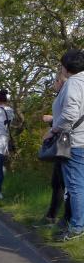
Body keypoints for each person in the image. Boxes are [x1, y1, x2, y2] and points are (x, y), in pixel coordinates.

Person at [44, 48, 84, 242]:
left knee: (75, 186)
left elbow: (70, 114)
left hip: (75, 142)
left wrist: (53, 130)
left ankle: (77, 227)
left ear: (67, 67)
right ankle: (75, 222)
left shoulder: (73, 83)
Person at [39, 70, 71, 229]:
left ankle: (66, 220)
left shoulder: (67, 93)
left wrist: (52, 124)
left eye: (54, 81)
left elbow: (69, 117)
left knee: (66, 183)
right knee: (58, 182)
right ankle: (53, 216)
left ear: (60, 81)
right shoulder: (64, 94)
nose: (53, 84)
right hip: (65, 140)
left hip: (67, 141)